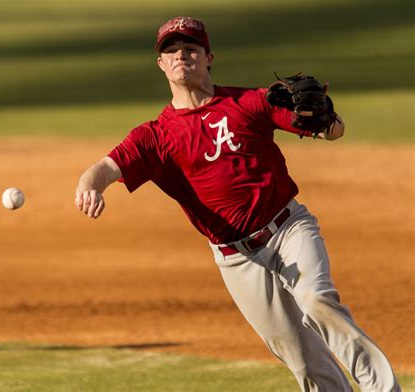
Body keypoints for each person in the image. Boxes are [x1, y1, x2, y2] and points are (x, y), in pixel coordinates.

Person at [75, 16, 400, 392]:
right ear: (161, 64)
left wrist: (331, 119)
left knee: (317, 299)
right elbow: (104, 168)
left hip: (288, 228)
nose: (182, 55)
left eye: (191, 49)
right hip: (236, 258)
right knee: (300, 356)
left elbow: (330, 131)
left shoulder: (249, 102)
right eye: (171, 50)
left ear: (209, 57)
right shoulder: (156, 136)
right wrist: (91, 187)